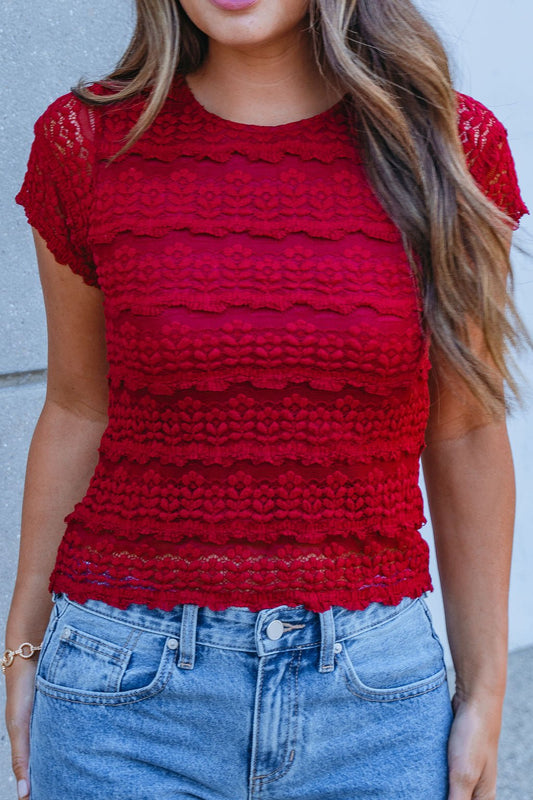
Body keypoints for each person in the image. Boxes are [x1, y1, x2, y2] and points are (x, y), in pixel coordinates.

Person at [4, 1, 529, 798]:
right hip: (125, 698)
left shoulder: (451, 145)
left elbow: (463, 431)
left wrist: (485, 691)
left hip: (373, 702)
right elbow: (80, 406)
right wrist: (21, 645)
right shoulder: (87, 144)